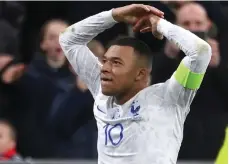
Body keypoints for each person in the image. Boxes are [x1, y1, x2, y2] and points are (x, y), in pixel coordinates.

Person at [59, 4, 212, 164]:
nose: (104, 68)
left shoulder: (170, 98)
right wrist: (115, 15)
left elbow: (201, 52)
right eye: (104, 61)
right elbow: (68, 39)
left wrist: (159, 24)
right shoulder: (102, 93)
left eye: (116, 63)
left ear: (140, 74)